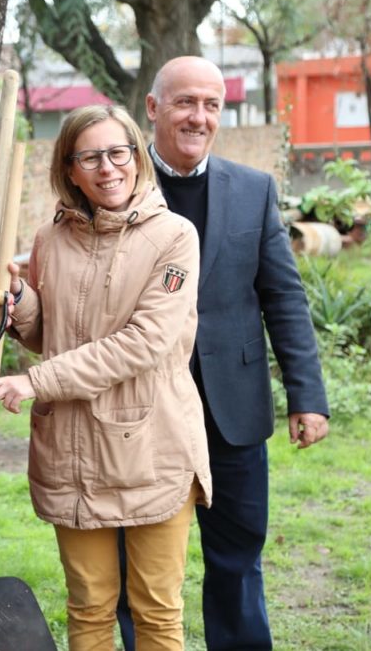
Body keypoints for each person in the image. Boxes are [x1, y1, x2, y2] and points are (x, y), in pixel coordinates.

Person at [0, 104, 212, 651]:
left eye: (118, 152)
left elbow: (145, 342)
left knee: (156, 612)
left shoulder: (174, 236)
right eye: (90, 157)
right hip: (73, 451)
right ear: (70, 169)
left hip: (150, 446)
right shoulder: (50, 239)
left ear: (136, 156)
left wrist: (36, 382)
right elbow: (50, 333)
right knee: (87, 607)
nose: (108, 168)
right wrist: (19, 299)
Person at [115, 56, 330, 651]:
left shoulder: (254, 190)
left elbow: (283, 296)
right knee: (139, 567)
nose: (199, 117)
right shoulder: (116, 187)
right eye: (186, 102)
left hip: (231, 411)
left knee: (238, 559)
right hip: (141, 411)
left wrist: (307, 396)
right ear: (153, 108)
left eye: (212, 105)